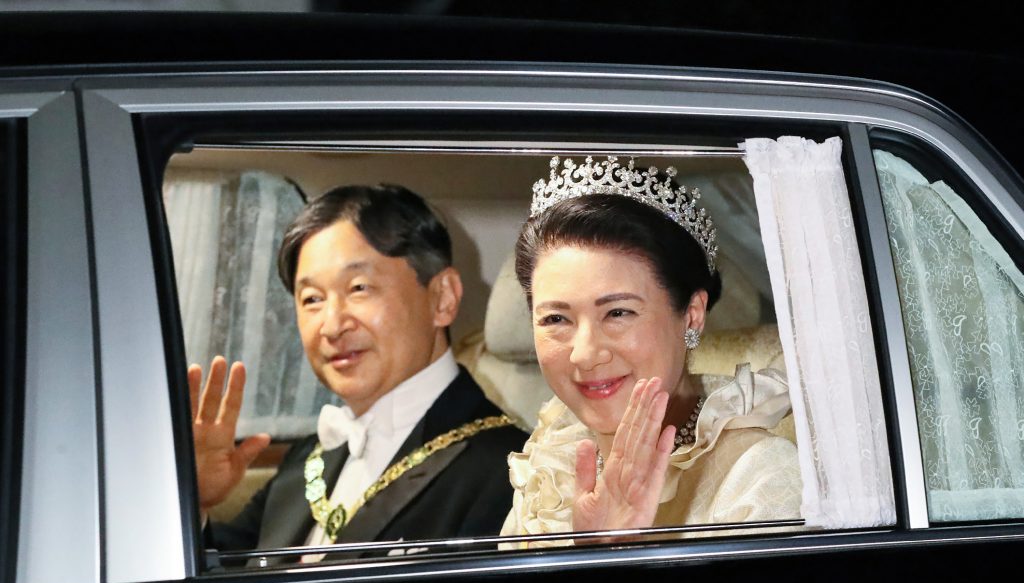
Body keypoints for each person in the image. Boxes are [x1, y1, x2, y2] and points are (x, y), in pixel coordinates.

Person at [191, 183, 527, 562]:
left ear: (442, 298)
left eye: (359, 288)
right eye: (312, 299)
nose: (332, 326)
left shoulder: (514, 471)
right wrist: (195, 499)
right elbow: (220, 576)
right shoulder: (310, 457)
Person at [500, 156, 802, 546]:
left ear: (691, 316)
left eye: (618, 312)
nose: (584, 355)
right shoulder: (552, 458)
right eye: (556, 319)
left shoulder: (759, 477)